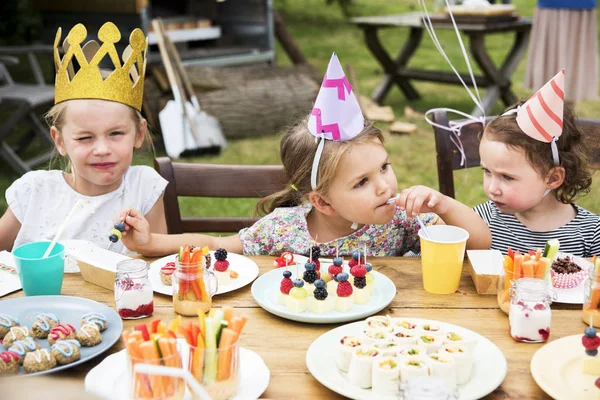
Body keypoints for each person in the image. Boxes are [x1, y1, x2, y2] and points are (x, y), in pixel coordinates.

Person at [121, 53, 490, 257]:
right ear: (322, 202)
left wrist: (443, 205)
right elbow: (216, 245)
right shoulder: (284, 230)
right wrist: (151, 243)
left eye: (384, 167)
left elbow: (479, 243)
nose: (384, 187)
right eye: (362, 182)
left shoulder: (400, 224)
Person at [0, 22, 167, 253]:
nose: (101, 149)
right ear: (59, 141)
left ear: (139, 134)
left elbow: (157, 262)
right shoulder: (35, 192)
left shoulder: (144, 187)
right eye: (85, 138)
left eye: (115, 133)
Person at [474, 70, 600, 256]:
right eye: (487, 171)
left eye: (507, 177)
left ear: (553, 178)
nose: (492, 188)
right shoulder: (482, 220)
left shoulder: (591, 235)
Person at [525, 0, 598, 103]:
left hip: (581, 5)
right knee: (549, 74)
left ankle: (566, 112)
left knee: (573, 70)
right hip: (552, 7)